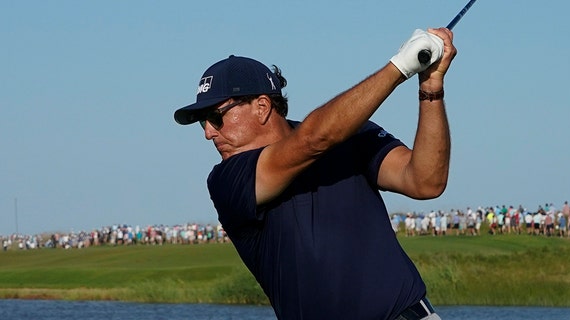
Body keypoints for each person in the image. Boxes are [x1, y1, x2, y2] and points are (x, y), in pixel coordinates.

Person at [174, 26, 456, 319]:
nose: (208, 133)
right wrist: (400, 66)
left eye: (215, 117)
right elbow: (313, 140)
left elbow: (426, 182)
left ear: (261, 107)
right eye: (201, 122)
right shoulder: (227, 179)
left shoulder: (347, 132)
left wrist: (431, 88)